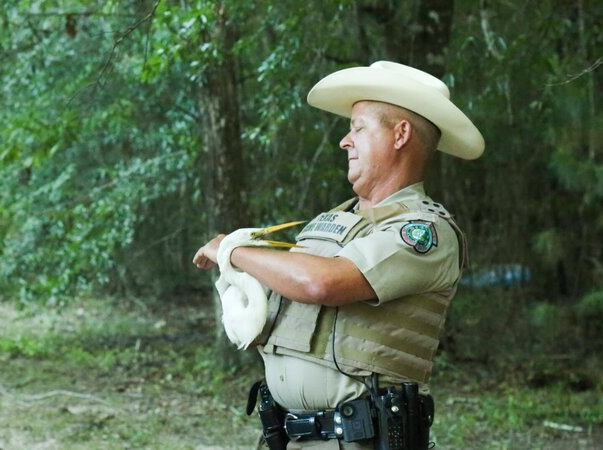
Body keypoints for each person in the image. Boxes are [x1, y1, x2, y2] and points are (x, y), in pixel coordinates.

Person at [193, 61, 484, 450]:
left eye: (358, 128)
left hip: (358, 440)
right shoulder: (331, 222)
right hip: (288, 437)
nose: (345, 142)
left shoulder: (424, 231)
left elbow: (320, 282)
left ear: (400, 134)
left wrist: (233, 250)